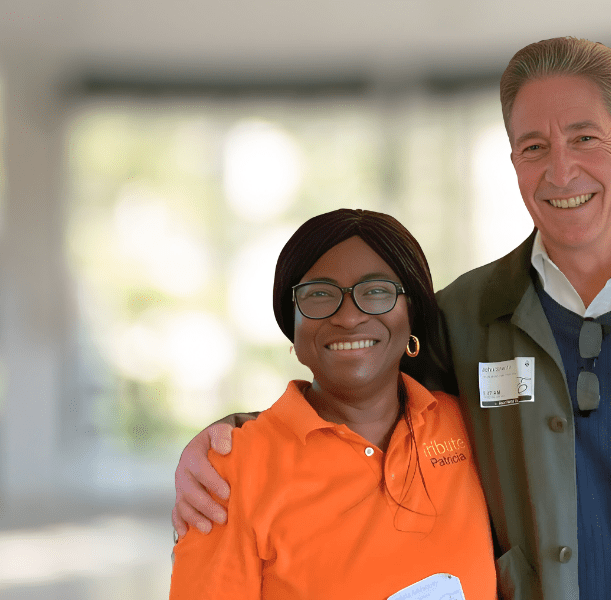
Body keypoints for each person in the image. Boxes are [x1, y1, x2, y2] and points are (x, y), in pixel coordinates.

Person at [174, 37, 611, 599]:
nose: (562, 168)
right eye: (534, 147)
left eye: (585, 138)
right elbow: (369, 405)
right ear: (514, 163)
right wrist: (233, 438)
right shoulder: (463, 315)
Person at [169, 209, 496, 599]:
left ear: (413, 314)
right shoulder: (230, 472)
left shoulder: (471, 425)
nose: (349, 316)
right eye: (319, 294)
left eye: (376, 291)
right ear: (291, 323)